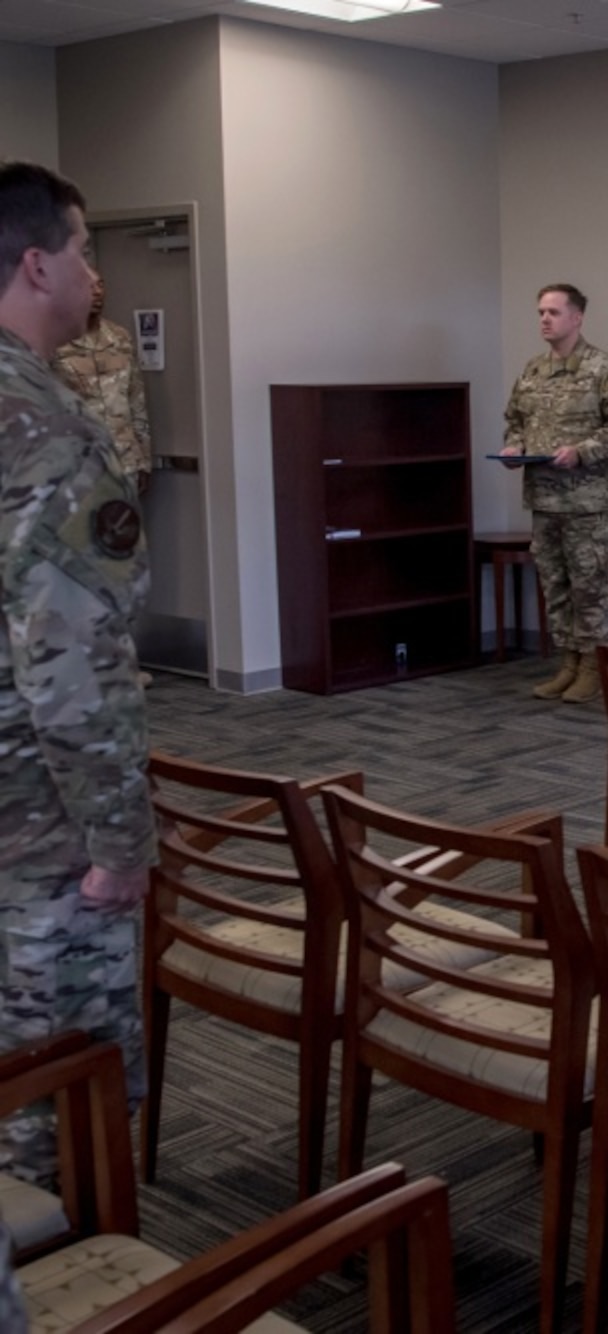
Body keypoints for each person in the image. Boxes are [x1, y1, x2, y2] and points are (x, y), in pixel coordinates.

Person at [0, 160, 154, 1190]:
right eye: (87, 249)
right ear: (36, 261)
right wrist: (120, 837)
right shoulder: (47, 434)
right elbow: (68, 661)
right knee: (59, 1104)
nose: (93, 272)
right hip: (42, 824)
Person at [499, 282, 608, 704]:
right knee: (555, 587)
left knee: (588, 588)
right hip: (544, 501)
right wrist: (514, 446)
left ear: (576, 318)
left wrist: (581, 453)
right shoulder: (531, 372)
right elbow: (515, 421)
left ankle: (593, 667)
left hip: (587, 505)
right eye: (540, 312)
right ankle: (567, 663)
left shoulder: (603, 369)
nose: (544, 319)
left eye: (553, 312)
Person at [56, 269, 152, 495]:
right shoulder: (55, 341)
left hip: (126, 461)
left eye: (101, 285)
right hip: (78, 465)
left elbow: (136, 400)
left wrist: (144, 459)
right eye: (89, 287)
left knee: (128, 529)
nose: (97, 292)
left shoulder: (120, 338)